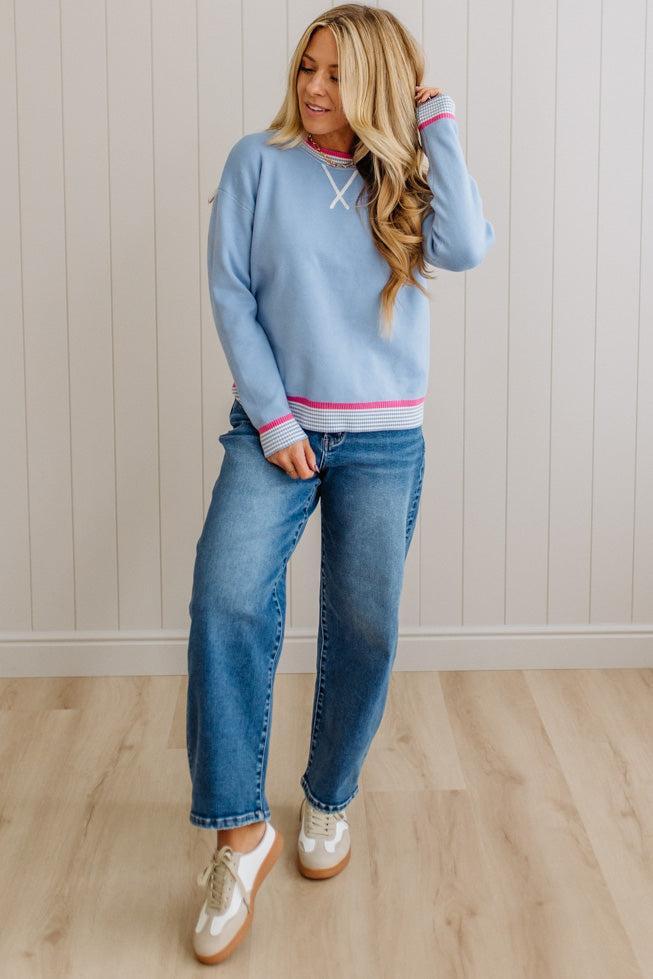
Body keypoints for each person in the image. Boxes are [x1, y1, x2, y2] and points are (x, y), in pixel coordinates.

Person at [187, 3, 495, 964]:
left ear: (372, 86)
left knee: (365, 626)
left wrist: (434, 118)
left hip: (383, 440)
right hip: (272, 430)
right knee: (225, 601)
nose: (313, 88)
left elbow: (467, 246)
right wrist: (274, 419)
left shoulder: (399, 177)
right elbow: (231, 290)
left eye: (333, 73)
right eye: (306, 67)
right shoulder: (255, 162)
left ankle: (326, 799)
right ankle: (241, 834)